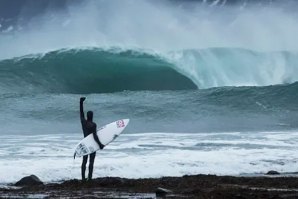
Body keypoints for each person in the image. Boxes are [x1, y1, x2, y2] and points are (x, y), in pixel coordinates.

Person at [80, 97, 104, 181]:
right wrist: (100, 144)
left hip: (85, 143)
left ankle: (83, 178)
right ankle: (89, 178)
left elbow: (81, 113)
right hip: (92, 144)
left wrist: (81, 102)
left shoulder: (83, 122)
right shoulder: (93, 125)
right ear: (92, 116)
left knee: (84, 161)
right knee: (91, 161)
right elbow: (94, 136)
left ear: (87, 116)